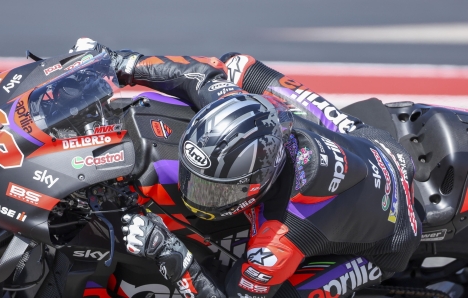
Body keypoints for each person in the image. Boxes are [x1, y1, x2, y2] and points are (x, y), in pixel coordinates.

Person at [72, 38, 422, 297]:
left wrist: (170, 253)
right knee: (237, 65)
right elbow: (195, 76)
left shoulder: (278, 239)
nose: (198, 194)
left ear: (260, 180)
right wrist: (118, 62)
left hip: (392, 238)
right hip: (373, 142)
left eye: (217, 190)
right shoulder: (241, 108)